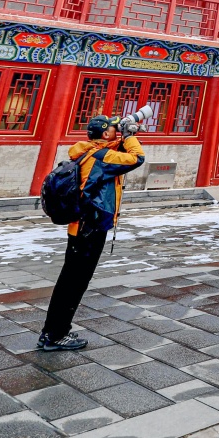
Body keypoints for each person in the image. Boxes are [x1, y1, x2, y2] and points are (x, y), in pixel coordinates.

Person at [38, 114, 145, 351]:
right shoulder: (101, 157)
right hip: (91, 228)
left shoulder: (89, 152)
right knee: (75, 283)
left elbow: (114, 153)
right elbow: (137, 158)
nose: (116, 133)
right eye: (113, 131)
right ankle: (56, 335)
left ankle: (52, 331)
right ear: (105, 134)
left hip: (81, 227)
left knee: (69, 280)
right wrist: (129, 137)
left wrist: (125, 135)